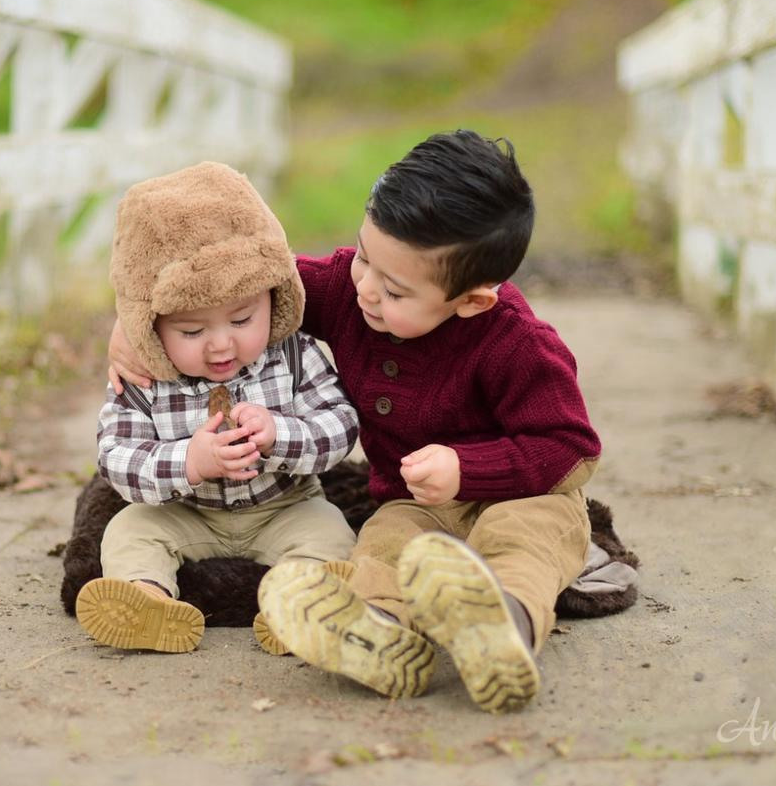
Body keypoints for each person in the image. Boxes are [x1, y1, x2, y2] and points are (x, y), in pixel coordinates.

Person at [108, 131, 601, 712]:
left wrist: (468, 468)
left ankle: (500, 626)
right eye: (365, 255)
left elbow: (570, 446)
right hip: (415, 501)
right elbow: (239, 285)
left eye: (393, 289)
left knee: (526, 544)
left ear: (470, 301)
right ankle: (377, 634)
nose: (365, 288)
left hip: (523, 493)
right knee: (382, 548)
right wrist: (137, 324)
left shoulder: (518, 345)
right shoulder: (350, 289)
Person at [77, 161, 359, 655]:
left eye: (243, 318)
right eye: (191, 331)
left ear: (275, 297)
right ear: (150, 326)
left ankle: (295, 602)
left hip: (283, 506)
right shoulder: (144, 376)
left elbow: (341, 423)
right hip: (185, 512)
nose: (221, 344)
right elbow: (115, 457)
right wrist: (190, 461)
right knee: (127, 531)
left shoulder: (294, 353)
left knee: (330, 531)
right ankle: (147, 601)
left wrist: (281, 433)